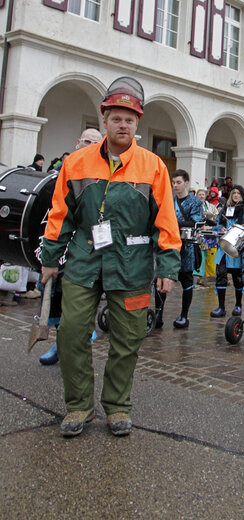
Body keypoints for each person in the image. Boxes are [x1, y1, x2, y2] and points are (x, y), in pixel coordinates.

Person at [40, 77, 181, 438]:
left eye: (129, 119)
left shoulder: (153, 168)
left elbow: (165, 220)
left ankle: (117, 406)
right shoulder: (76, 163)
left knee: (128, 338)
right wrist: (50, 258)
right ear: (104, 119)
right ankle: (79, 406)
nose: (123, 125)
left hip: (132, 265)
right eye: (116, 118)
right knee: (70, 333)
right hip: (84, 260)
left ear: (138, 123)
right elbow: (60, 215)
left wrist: (167, 265)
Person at [38, 127, 103, 365]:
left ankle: (73, 338)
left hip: (84, 248)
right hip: (57, 242)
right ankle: (61, 339)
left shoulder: (101, 173)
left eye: (96, 143)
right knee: (54, 293)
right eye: (87, 141)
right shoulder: (63, 169)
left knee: (75, 295)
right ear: (78, 142)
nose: (90, 146)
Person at [155, 169, 203, 329]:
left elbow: (196, 222)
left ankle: (184, 315)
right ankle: (158, 315)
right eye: (173, 182)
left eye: (178, 182)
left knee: (187, 281)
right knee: (161, 279)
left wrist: (173, 224)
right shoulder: (169, 199)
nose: (175, 186)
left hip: (186, 246)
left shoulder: (195, 202)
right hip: (169, 245)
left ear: (186, 183)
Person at [210, 185, 244, 317]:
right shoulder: (226, 208)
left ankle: (238, 305)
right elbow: (217, 223)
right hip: (223, 246)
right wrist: (220, 229)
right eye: (234, 193)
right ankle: (221, 307)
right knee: (220, 275)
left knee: (237, 278)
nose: (236, 195)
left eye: (238, 193)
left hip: (237, 248)